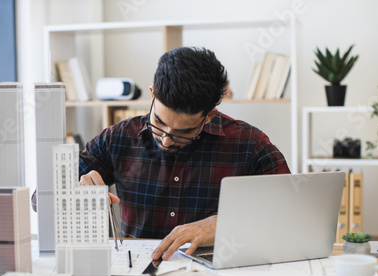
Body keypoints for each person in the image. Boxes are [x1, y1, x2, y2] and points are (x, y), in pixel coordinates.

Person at [78, 46, 290, 261]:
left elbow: (291, 211)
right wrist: (73, 192)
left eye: (184, 131)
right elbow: (43, 198)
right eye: (159, 122)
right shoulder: (118, 138)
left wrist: (224, 224)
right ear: (152, 94)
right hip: (139, 272)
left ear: (209, 116)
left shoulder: (250, 144)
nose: (166, 139)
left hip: (217, 273)